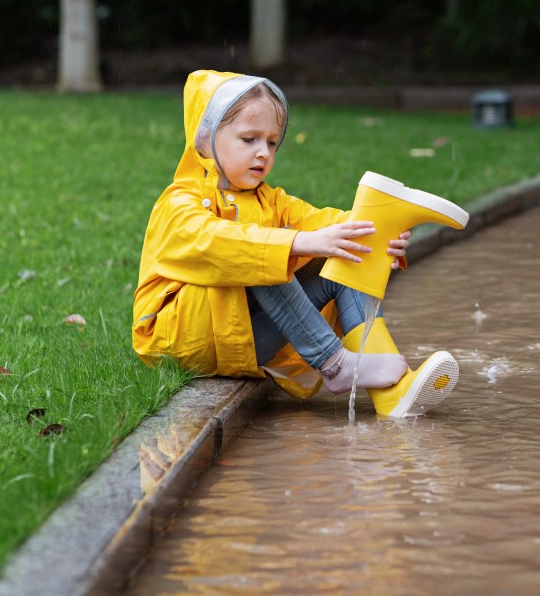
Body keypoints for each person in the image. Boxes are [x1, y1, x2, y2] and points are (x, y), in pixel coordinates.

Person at [132, 70, 459, 417]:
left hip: (243, 336)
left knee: (349, 251)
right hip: (183, 339)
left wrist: (382, 237)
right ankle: (334, 364)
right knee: (262, 256)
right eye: (249, 139)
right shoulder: (179, 201)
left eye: (271, 142)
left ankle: (394, 395)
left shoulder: (270, 202)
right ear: (205, 137)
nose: (263, 153)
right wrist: (298, 243)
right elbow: (215, 243)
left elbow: (331, 224)